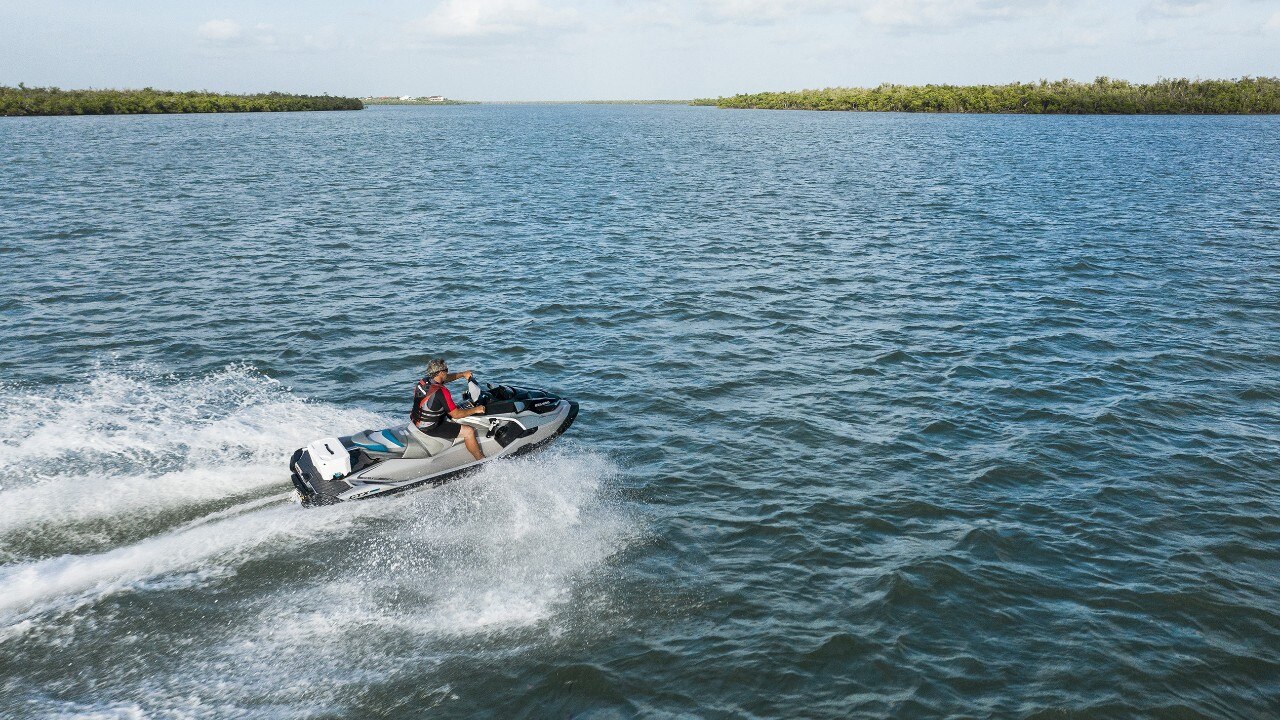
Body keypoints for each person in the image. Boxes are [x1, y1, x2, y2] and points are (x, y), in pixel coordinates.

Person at [411, 358, 487, 461]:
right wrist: (476, 410)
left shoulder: (424, 381)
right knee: (468, 431)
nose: (448, 372)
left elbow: (445, 379)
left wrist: (463, 374)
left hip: (417, 420)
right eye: (446, 370)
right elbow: (456, 414)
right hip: (430, 427)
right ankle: (481, 460)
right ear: (441, 373)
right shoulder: (442, 392)